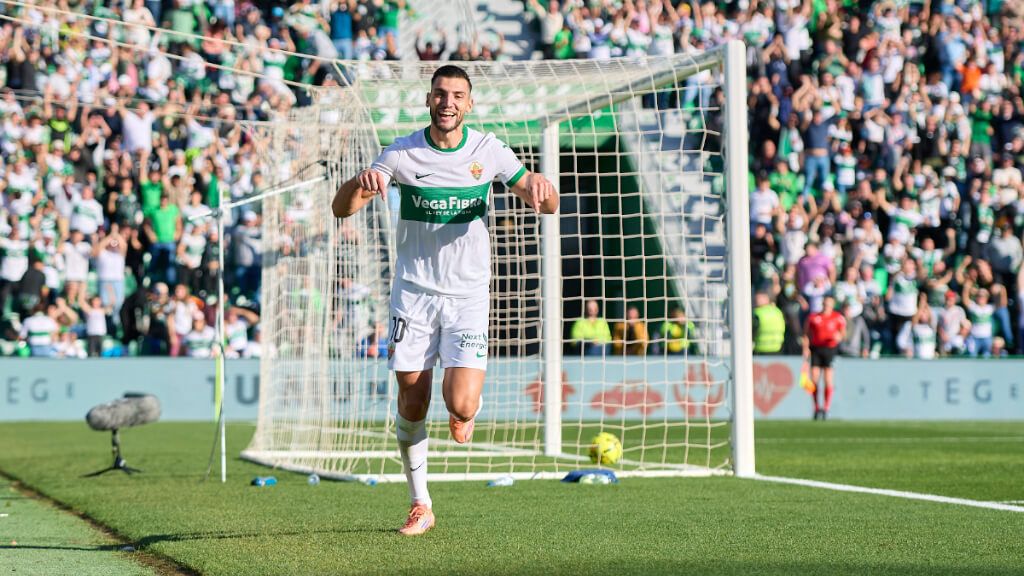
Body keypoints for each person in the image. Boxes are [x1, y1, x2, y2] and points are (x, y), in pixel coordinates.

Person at [331, 65, 557, 536]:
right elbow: (341, 209)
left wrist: (542, 187)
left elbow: (546, 203)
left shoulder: (488, 150)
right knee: (412, 401)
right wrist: (360, 183)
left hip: (468, 295)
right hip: (413, 293)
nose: (447, 102)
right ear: (428, 99)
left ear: (469, 104)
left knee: (461, 404)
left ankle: (464, 412)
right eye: (439, 94)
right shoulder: (401, 153)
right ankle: (421, 504)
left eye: (456, 95)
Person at [802, 294, 846, 420]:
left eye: (829, 303)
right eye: (825, 303)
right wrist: (805, 349)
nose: (827, 305)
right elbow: (806, 334)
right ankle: (816, 408)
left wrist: (839, 337)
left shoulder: (838, 317)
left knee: (828, 379)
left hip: (830, 349)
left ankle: (826, 408)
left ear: (833, 304)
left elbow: (843, 334)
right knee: (814, 380)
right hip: (816, 349)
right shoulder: (813, 317)